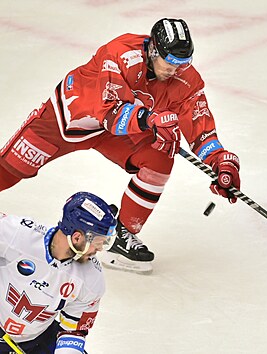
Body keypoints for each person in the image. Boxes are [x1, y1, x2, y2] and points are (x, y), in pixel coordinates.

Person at [0, 18, 241, 273]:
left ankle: (122, 237)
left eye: (183, 63)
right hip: (70, 119)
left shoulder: (184, 79)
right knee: (11, 169)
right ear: (153, 51)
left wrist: (220, 161)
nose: (175, 69)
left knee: (161, 154)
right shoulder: (120, 53)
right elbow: (110, 112)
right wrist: (151, 119)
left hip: (122, 130)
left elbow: (200, 127)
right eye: (170, 61)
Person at [0, 192, 117, 353]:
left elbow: (73, 330)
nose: (100, 249)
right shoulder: (15, 234)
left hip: (38, 340)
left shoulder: (92, 278)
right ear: (77, 237)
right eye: (98, 242)